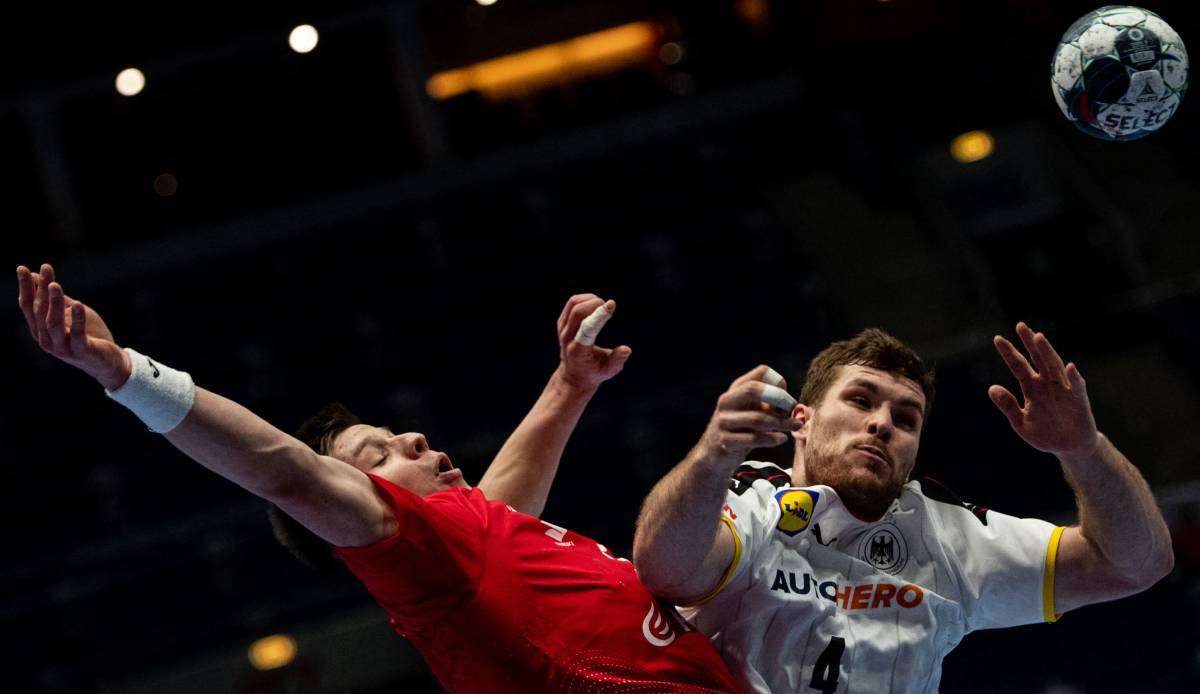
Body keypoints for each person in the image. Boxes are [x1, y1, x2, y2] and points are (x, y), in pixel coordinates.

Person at [16, 263, 739, 693]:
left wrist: (569, 384)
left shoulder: (473, 549)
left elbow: (497, 503)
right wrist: (124, 374)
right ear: (360, 515)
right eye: (380, 454)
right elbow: (286, 472)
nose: (414, 438)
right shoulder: (419, 566)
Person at [632, 327, 1174, 693]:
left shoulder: (951, 534)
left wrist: (1083, 449)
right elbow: (666, 570)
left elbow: (1131, 565)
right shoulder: (751, 500)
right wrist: (713, 455)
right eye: (860, 401)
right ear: (802, 420)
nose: (883, 424)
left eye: (906, 418)